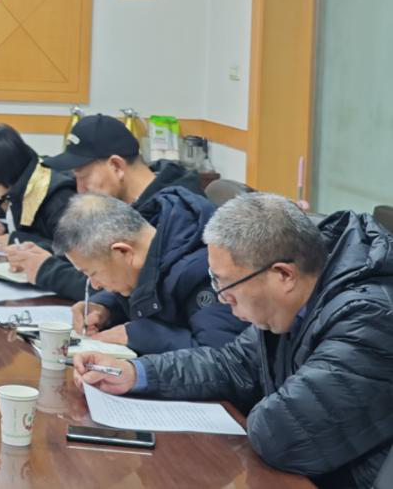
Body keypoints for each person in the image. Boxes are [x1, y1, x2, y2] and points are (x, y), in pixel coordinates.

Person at [74, 193, 393, 489]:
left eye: (227, 285)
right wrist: (136, 373)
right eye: (214, 281)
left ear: (283, 275)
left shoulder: (368, 317)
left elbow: (282, 435)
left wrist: (257, 398)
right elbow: (233, 364)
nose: (221, 299)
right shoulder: (293, 301)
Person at [0, 113, 209, 302]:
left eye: (83, 177)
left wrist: (46, 270)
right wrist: (43, 252)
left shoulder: (177, 213)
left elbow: (130, 286)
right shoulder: (131, 202)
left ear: (116, 166)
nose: (80, 189)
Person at [53, 192, 246, 354]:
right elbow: (147, 283)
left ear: (123, 252)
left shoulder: (206, 271)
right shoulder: (151, 232)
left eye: (93, 273)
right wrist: (106, 307)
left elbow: (222, 357)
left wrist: (138, 335)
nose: (95, 285)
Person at [0, 123, 76, 248]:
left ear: (7, 164)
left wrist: (15, 240)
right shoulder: (12, 186)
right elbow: (34, 232)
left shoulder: (57, 195)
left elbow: (72, 251)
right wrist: (5, 228)